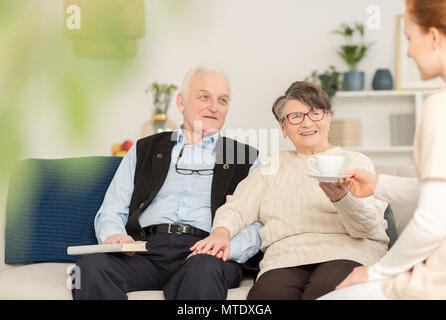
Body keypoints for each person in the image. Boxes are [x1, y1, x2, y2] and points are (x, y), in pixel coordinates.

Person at [72, 66, 263, 300]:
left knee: (203, 272)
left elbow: (260, 223)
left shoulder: (246, 158)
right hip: (145, 250)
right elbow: (112, 210)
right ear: (181, 102)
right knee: (88, 269)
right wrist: (115, 236)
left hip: (205, 253)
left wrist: (228, 248)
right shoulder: (144, 149)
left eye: (222, 100)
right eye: (204, 97)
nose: (214, 106)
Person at [190, 81, 390, 300]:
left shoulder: (354, 162)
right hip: (284, 258)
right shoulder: (272, 166)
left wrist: (341, 197)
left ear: (328, 118)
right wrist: (221, 233)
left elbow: (368, 227)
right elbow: (237, 207)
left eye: (314, 113)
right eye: (295, 116)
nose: (306, 123)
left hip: (347, 252)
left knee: (328, 293)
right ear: (284, 128)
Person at [319, 0, 446, 300]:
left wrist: (376, 270)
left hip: (438, 281)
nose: (408, 52)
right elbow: (443, 193)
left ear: (433, 36)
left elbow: (431, 221)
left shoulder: (441, 106)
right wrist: (379, 184)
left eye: (409, 38)